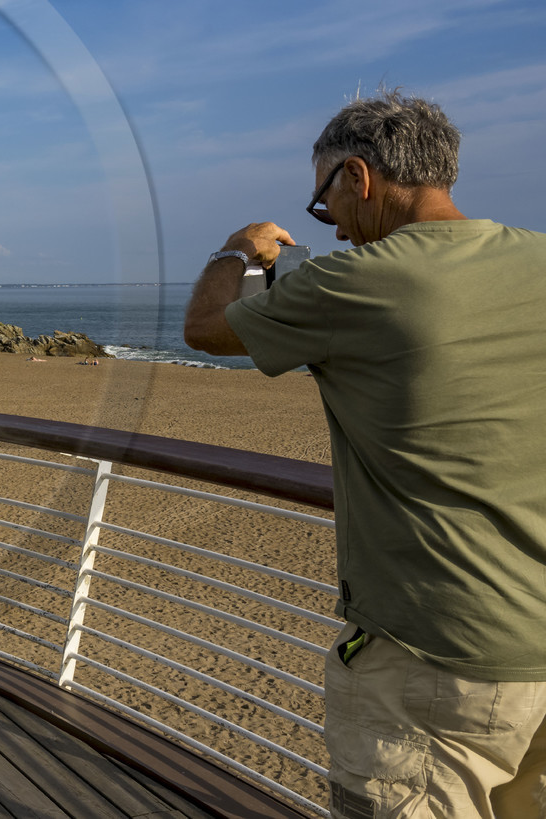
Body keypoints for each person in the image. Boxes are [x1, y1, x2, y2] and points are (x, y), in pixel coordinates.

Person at [183, 90, 546, 819]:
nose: (338, 230)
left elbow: (204, 327)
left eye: (325, 203)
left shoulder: (354, 284)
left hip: (432, 659)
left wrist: (240, 249)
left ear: (358, 176)